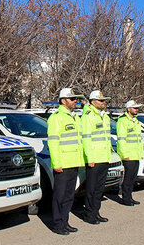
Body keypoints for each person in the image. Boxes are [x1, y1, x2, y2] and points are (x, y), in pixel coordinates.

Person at [47, 88, 85, 235]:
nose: (75, 101)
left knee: (69, 196)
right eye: (72, 99)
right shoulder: (56, 118)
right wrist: (56, 164)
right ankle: (58, 224)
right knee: (60, 196)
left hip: (73, 162)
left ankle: (65, 221)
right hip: (63, 164)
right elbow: (53, 143)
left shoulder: (75, 117)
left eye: (75, 99)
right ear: (63, 101)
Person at [81, 90, 112, 224]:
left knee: (100, 189)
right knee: (91, 189)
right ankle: (89, 214)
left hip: (104, 157)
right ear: (93, 102)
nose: (103, 102)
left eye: (104, 100)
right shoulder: (88, 116)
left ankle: (96, 212)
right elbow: (86, 139)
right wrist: (89, 158)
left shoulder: (105, 116)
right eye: (100, 100)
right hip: (94, 158)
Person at [116, 100, 144, 205]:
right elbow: (121, 139)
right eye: (134, 108)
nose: (137, 110)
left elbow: (139, 140)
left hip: (135, 154)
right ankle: (126, 198)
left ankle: (130, 197)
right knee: (127, 179)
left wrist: (140, 153)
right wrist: (124, 155)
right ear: (128, 109)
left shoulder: (135, 121)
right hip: (128, 155)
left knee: (133, 178)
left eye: (137, 108)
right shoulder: (123, 121)